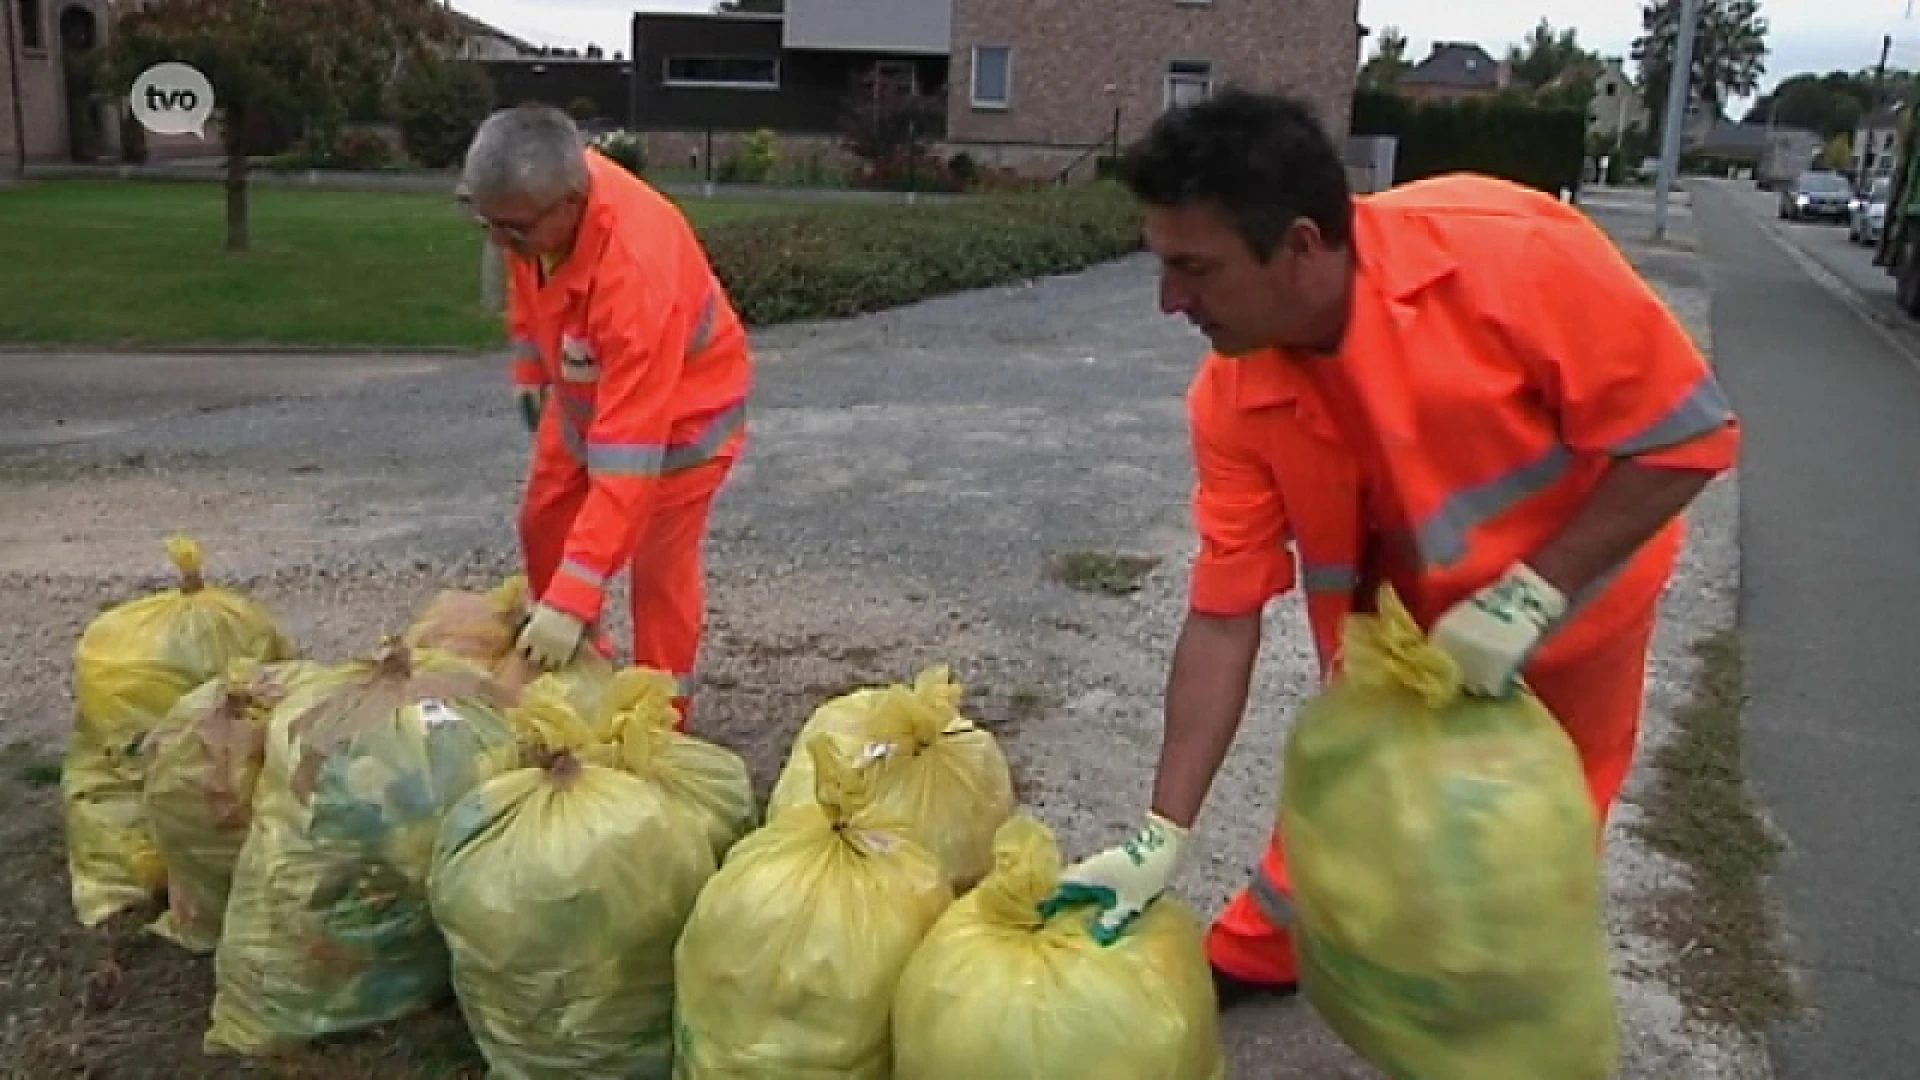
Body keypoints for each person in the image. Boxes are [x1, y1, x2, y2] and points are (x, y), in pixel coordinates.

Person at [1041, 88, 1741, 1006]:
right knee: (1351, 803)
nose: (1171, 301)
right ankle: (1267, 950)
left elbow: (1685, 439)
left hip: (1571, 626)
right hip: (1391, 647)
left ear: (1301, 244)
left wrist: (1534, 596)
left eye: (1195, 269)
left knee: (1511, 871)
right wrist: (1160, 833)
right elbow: (1222, 619)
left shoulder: (1512, 259)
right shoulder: (1233, 396)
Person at [458, 104, 752, 726]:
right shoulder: (530, 209)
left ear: (569, 202)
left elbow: (628, 458)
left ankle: (661, 720)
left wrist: (571, 595)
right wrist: (531, 369)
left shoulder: (634, 275)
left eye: (511, 230)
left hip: (683, 425)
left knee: (658, 572)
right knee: (543, 520)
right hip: (585, 398)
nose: (498, 242)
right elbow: (528, 285)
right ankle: (585, 670)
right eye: (485, 223)